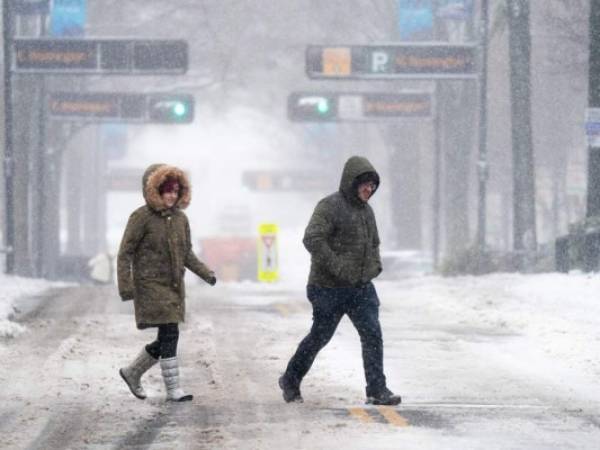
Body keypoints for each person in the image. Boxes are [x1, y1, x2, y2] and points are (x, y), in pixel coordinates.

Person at [279, 156, 401, 406]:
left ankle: (377, 389)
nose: (369, 190)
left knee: (372, 335)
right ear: (352, 183)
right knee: (320, 336)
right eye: (365, 185)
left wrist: (374, 267)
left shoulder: (367, 212)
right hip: (327, 288)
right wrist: (340, 268)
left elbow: (374, 244)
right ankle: (290, 378)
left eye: (373, 186)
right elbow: (312, 239)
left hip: (361, 288)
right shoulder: (329, 206)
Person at [117, 164, 217, 402]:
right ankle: (173, 389)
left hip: (173, 287)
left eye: (175, 190)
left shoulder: (181, 219)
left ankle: (132, 372)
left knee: (166, 336)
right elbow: (125, 253)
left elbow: (187, 253)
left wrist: (206, 273)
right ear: (155, 191)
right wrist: (126, 286)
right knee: (171, 332)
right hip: (150, 285)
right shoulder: (141, 217)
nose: (171, 195)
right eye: (166, 190)